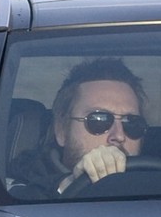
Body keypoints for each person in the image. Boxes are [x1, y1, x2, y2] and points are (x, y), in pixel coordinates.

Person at [15, 58, 149, 195]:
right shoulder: (19, 191)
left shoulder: (158, 187)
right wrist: (70, 184)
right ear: (61, 130)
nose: (119, 136)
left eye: (132, 123)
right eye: (98, 121)